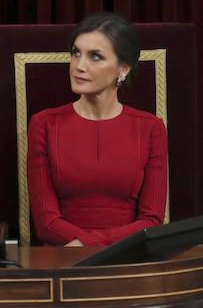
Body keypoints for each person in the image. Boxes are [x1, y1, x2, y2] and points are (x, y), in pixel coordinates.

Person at [27, 12, 167, 247]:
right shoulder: (44, 124)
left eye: (95, 57)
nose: (79, 66)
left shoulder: (151, 128)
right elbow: (46, 222)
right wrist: (84, 247)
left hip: (128, 258)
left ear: (123, 69)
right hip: (64, 257)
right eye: (75, 53)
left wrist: (88, 244)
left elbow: (151, 220)